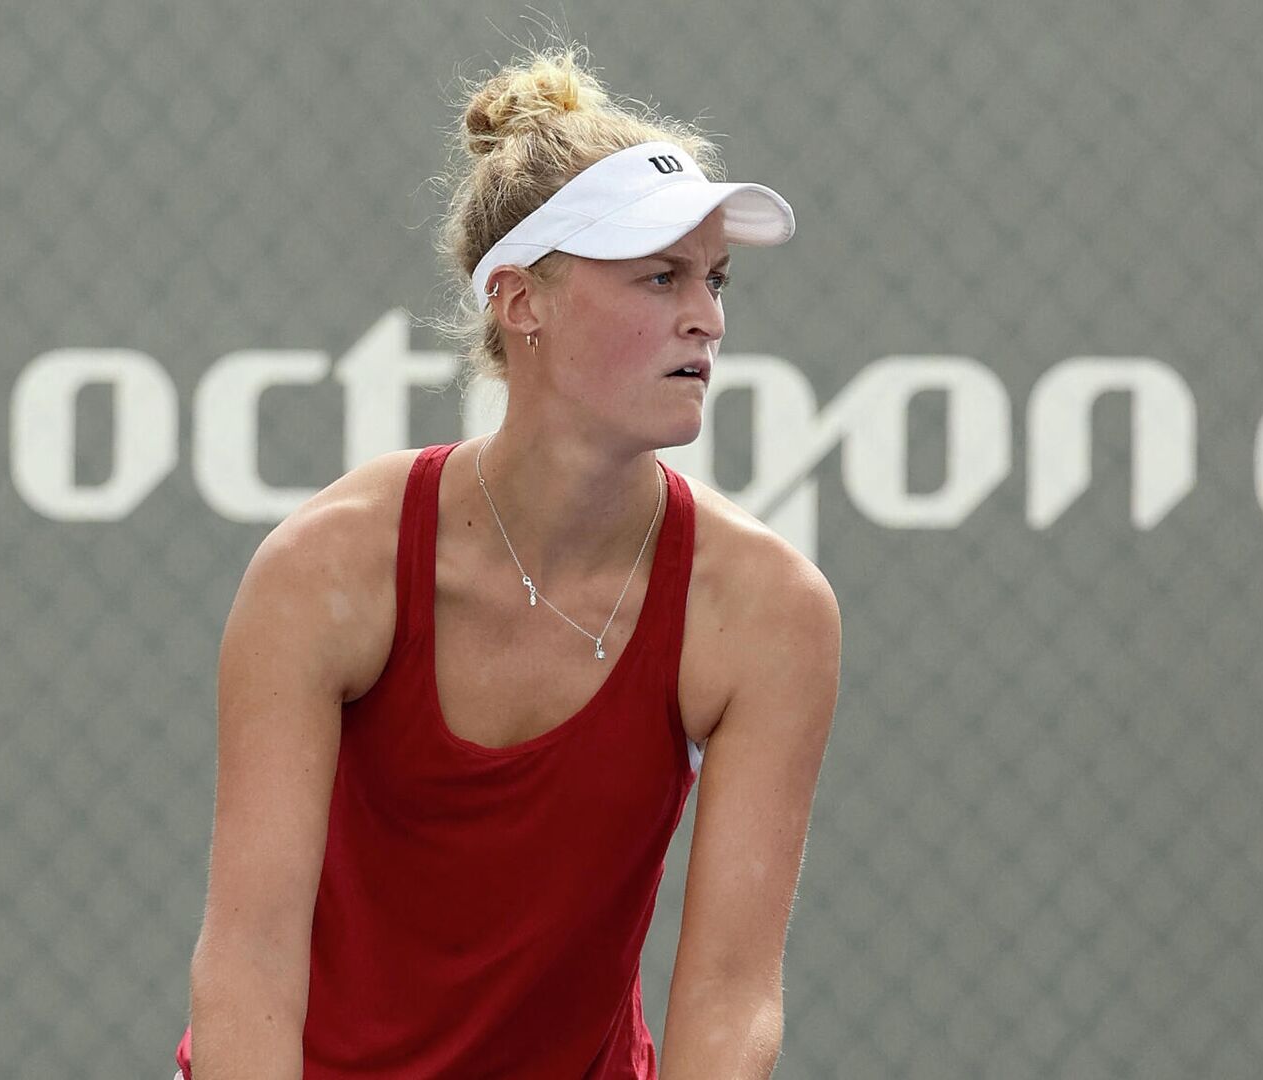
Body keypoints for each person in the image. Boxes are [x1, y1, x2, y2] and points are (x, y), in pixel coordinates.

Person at [175, 45, 841, 1079]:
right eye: (659, 276)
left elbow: (730, 994)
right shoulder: (326, 569)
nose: (706, 315)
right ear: (522, 302)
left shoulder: (766, 610)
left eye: (713, 278)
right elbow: (249, 959)